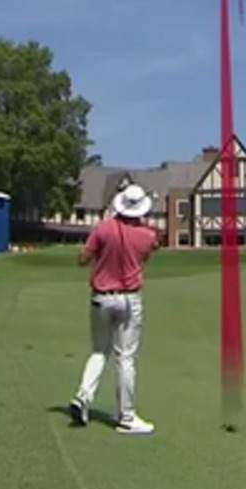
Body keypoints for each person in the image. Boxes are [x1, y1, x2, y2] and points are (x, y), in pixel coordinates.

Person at [69, 183, 160, 435]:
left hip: (101, 297)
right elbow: (148, 253)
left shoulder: (102, 229)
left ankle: (83, 397)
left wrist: (97, 251)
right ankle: (127, 417)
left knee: (99, 351)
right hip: (129, 299)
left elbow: (82, 260)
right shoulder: (148, 235)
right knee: (125, 357)